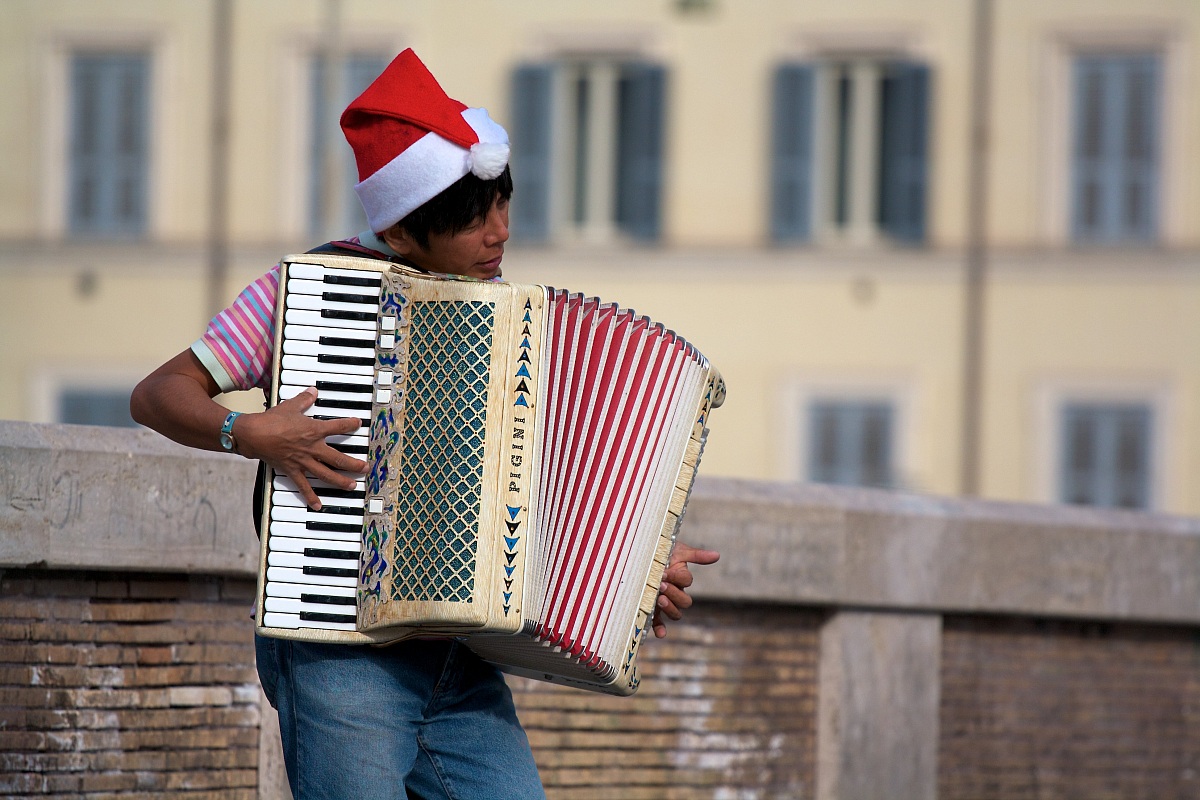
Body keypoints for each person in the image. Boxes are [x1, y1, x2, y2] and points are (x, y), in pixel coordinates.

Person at [130, 49, 719, 800]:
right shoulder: (302, 293)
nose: (499, 233)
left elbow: (544, 485)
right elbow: (158, 393)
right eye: (474, 219)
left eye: (504, 205)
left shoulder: (509, 322)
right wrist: (246, 432)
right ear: (403, 231)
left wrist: (633, 571)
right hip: (340, 652)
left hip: (461, 658)